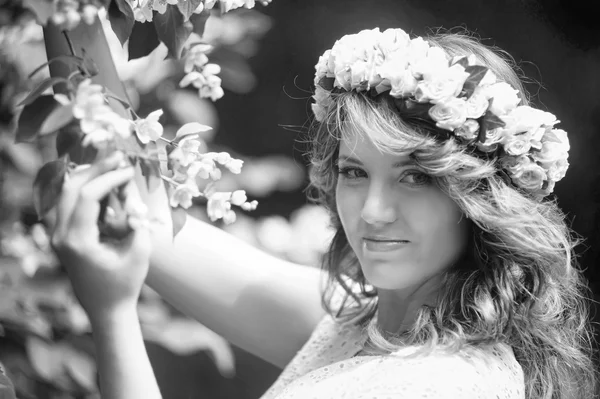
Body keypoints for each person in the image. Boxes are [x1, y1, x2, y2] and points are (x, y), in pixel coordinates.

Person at [49, 27, 598, 399]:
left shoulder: (436, 385)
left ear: (481, 199)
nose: (374, 212)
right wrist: (68, 17)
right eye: (355, 173)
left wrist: (113, 316)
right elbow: (131, 202)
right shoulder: (361, 327)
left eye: (416, 178)